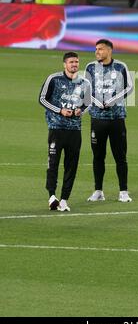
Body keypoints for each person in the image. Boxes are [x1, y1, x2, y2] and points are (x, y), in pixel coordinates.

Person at [39, 52, 91, 212]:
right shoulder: (53, 79)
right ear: (64, 64)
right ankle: (52, 196)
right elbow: (42, 99)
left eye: (76, 62)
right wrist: (60, 110)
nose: (74, 64)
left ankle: (64, 199)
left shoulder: (85, 83)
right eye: (71, 62)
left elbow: (88, 103)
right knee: (53, 163)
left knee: (71, 166)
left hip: (75, 131)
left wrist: (80, 111)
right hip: (56, 128)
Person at [85, 39, 133, 203]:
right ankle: (98, 191)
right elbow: (86, 89)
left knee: (120, 156)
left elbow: (130, 87)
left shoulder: (120, 66)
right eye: (96, 49)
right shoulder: (90, 67)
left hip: (116, 118)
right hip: (97, 119)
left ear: (109, 51)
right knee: (98, 156)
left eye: (100, 49)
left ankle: (123, 191)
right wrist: (98, 102)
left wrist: (113, 100)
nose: (97, 51)